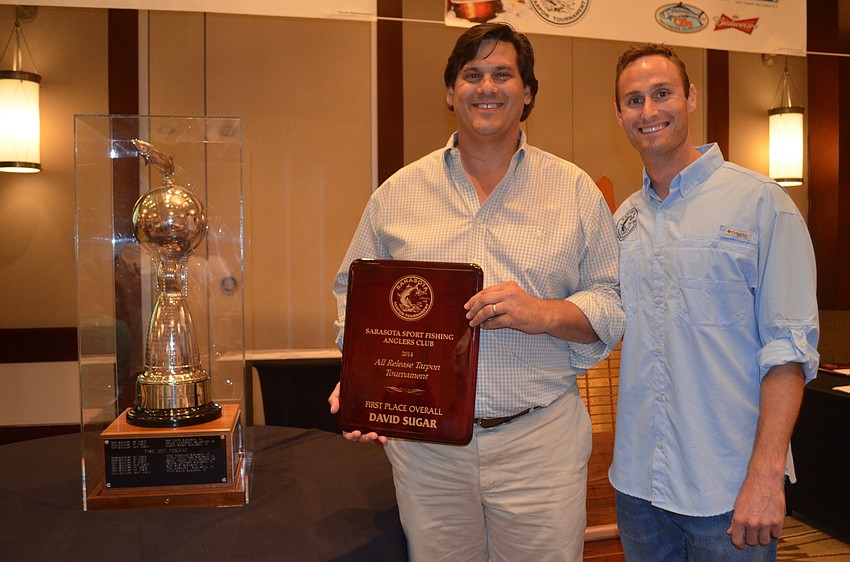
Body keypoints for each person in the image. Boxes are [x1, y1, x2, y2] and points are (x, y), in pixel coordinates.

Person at [327, 22, 625, 561]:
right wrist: (364, 381)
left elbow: (611, 303)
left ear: (528, 92)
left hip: (539, 443)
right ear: (450, 92)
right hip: (427, 451)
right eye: (472, 75)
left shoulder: (575, 191)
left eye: (503, 74)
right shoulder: (397, 194)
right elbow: (354, 296)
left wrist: (544, 313)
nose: (487, 86)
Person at [609, 43, 820, 561]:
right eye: (634, 100)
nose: (649, 111)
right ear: (620, 116)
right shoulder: (622, 221)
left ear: (691, 97)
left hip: (729, 491)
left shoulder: (762, 203)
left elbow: (788, 352)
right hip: (638, 488)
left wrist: (767, 477)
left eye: (663, 94)